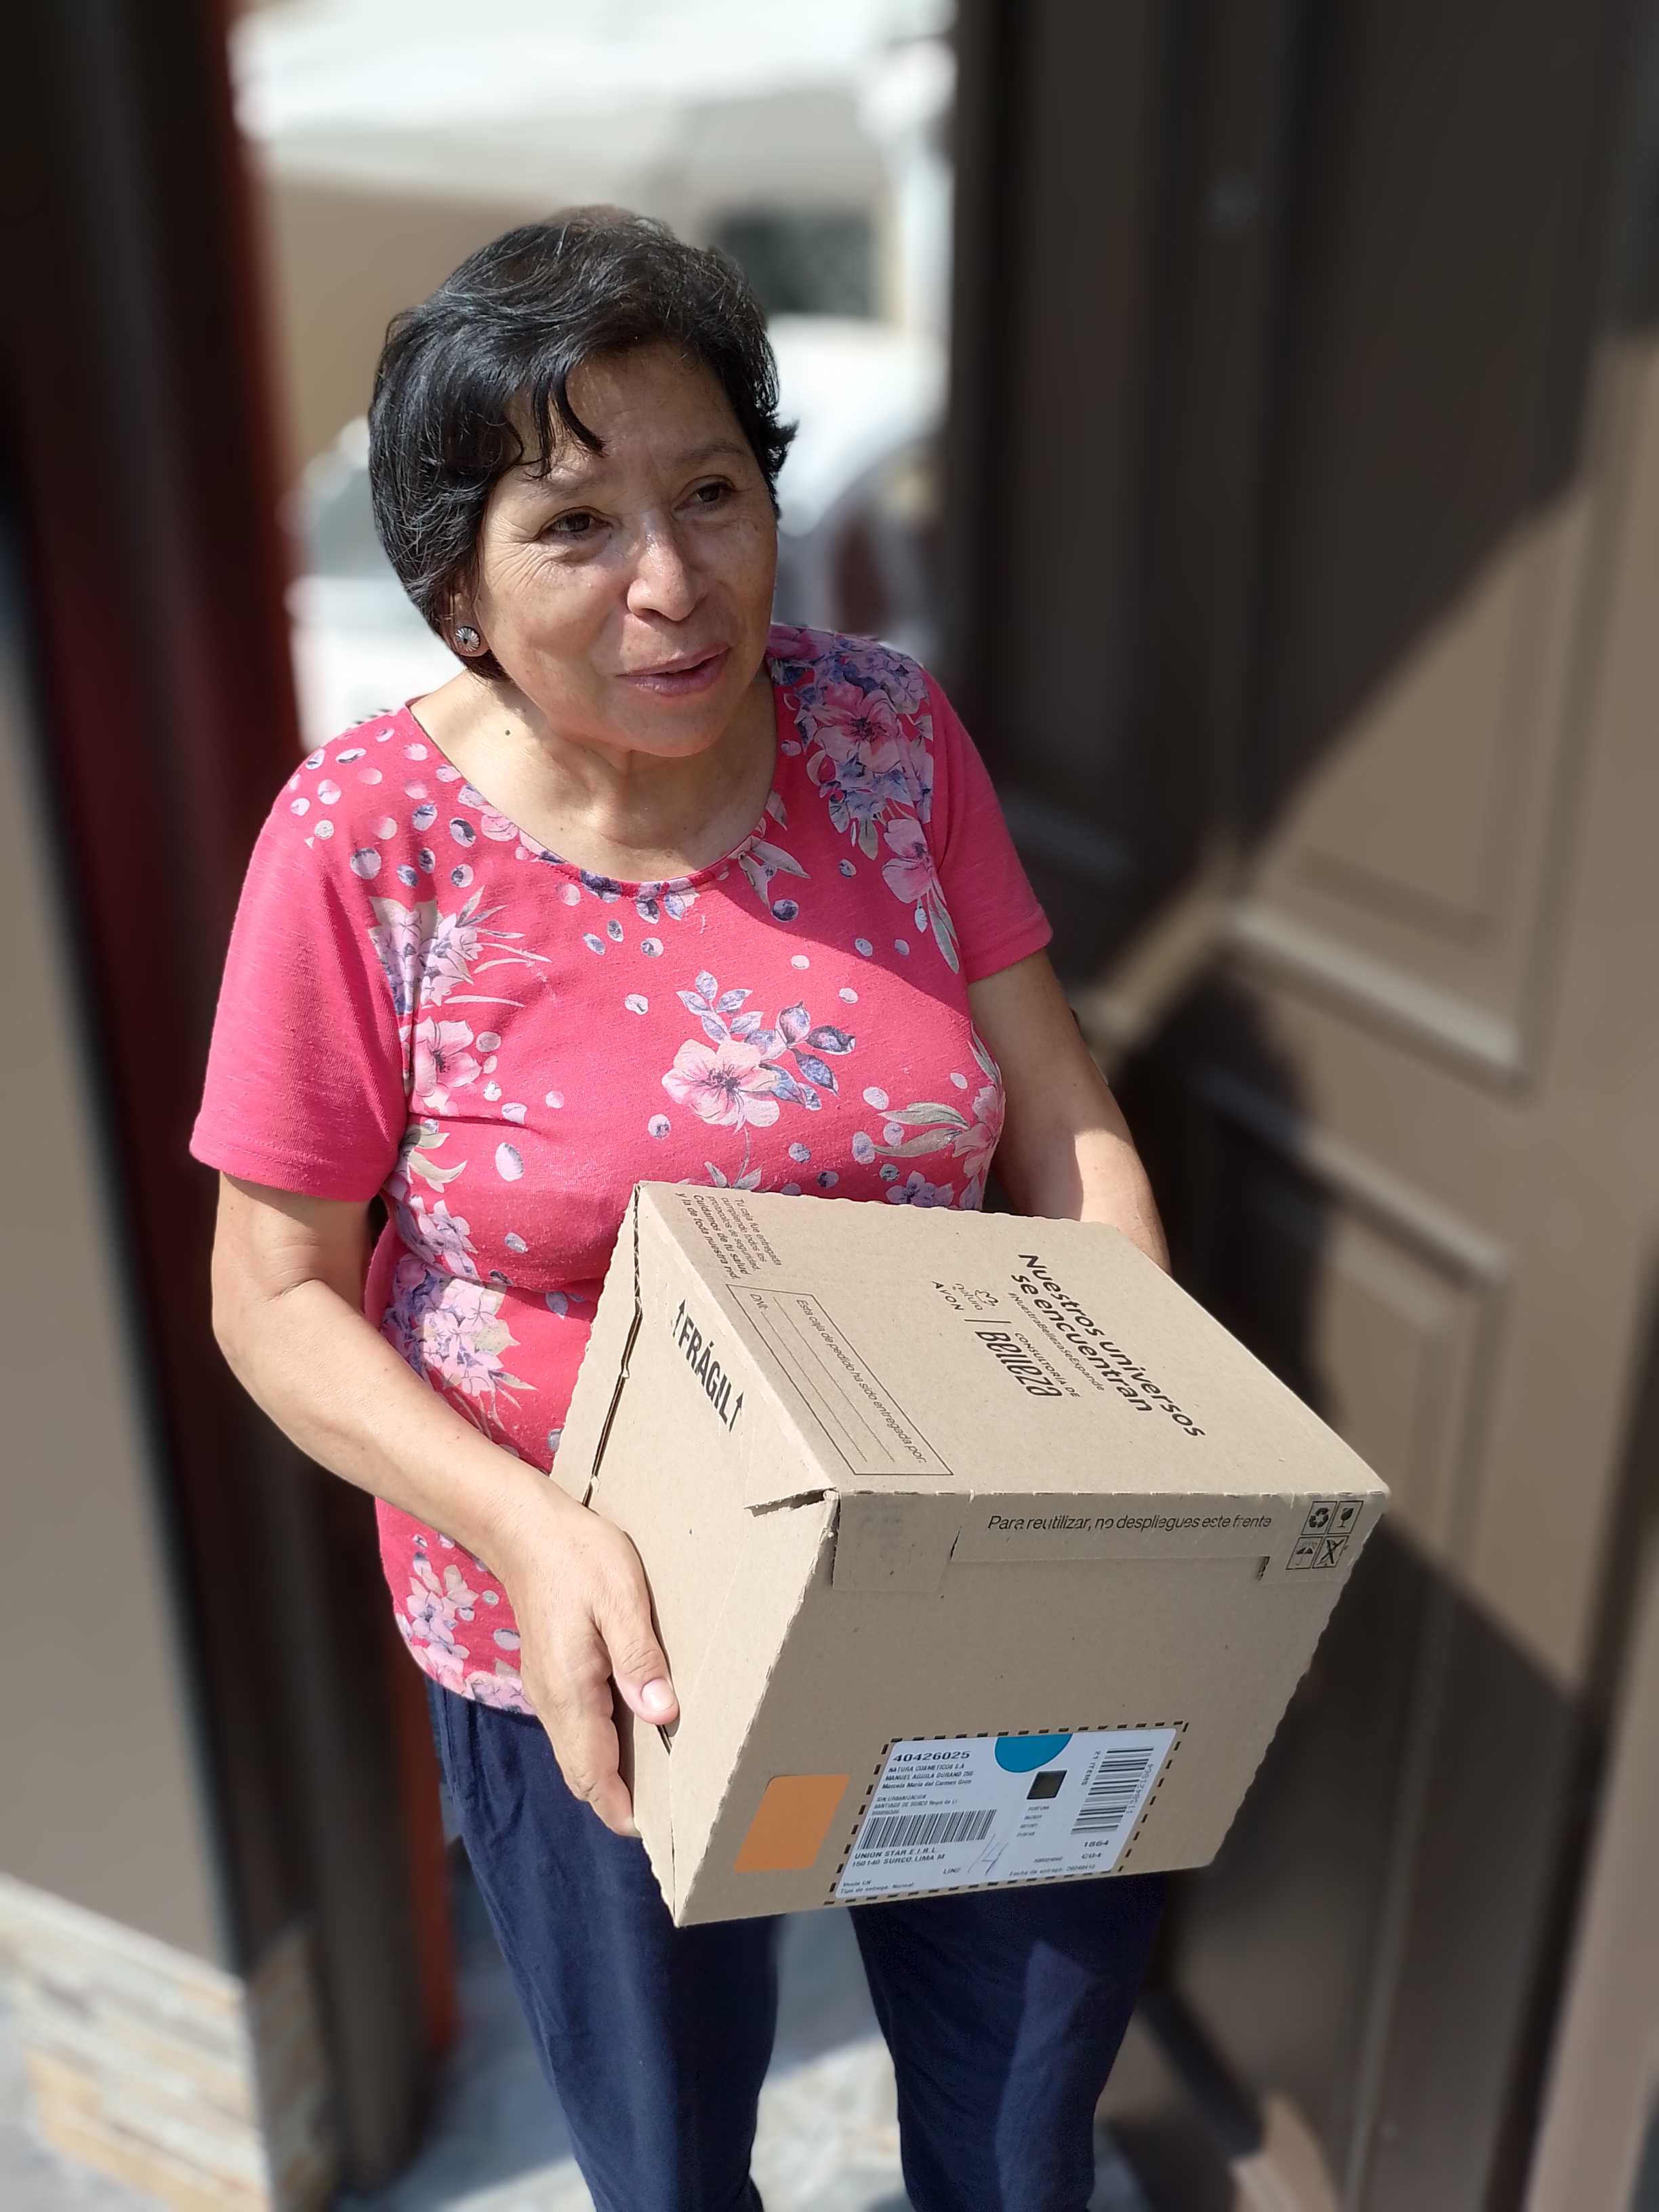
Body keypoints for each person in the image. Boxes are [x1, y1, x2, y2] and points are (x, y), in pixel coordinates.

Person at [194, 209, 1170, 2212]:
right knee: (669, 2153)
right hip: (599, 1624)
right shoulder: (363, 846)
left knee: (1019, 2127)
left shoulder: (887, 737)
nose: (672, 580)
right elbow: (273, 1291)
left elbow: (1064, 1123)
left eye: (711, 492)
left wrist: (1134, 1459)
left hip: (963, 1566)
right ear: (456, 589)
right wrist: (529, 1531)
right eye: (574, 524)